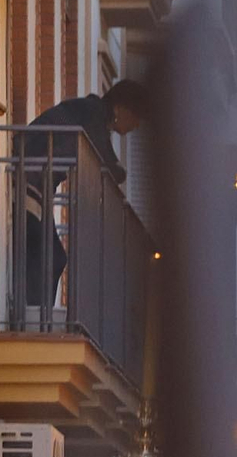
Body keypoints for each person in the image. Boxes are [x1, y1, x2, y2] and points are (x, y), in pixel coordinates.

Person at [21, 80, 148, 308]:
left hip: (37, 185)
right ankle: (33, 318)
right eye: (136, 118)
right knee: (48, 256)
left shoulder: (91, 113)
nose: (136, 126)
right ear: (122, 107)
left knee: (51, 256)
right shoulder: (93, 113)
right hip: (29, 182)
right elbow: (105, 159)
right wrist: (119, 172)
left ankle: (36, 316)